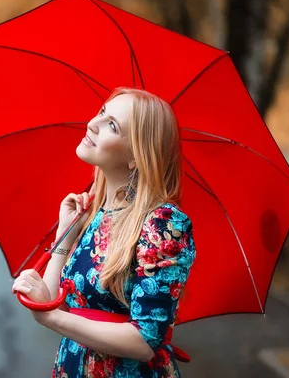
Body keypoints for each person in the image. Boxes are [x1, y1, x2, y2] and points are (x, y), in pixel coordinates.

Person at [12, 87, 196, 378]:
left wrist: (51, 318)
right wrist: (65, 233)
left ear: (137, 156)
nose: (92, 124)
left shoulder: (161, 224)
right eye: (101, 113)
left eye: (111, 125)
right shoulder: (95, 213)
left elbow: (144, 341)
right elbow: (54, 299)